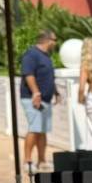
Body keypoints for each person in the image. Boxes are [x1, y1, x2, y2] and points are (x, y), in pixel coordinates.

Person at [20, 29, 58, 171]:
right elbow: (28, 75)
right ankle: (27, 161)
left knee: (42, 130)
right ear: (47, 40)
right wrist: (36, 93)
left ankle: (42, 161)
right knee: (35, 128)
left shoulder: (46, 56)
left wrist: (55, 92)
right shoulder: (31, 55)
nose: (56, 43)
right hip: (33, 99)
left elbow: (48, 76)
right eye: (54, 40)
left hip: (45, 100)